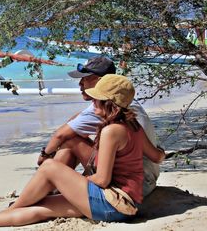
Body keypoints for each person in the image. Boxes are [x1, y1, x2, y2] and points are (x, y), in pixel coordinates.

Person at [0, 75, 146, 229]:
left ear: (109, 103)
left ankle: (12, 208)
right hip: (125, 206)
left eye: (97, 99)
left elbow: (102, 179)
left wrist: (69, 183)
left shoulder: (112, 130)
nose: (93, 102)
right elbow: (155, 155)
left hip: (113, 202)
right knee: (43, 207)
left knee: (50, 167)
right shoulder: (133, 125)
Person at [38, 56, 165, 197]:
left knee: (71, 141)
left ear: (99, 81)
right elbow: (76, 120)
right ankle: (52, 188)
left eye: (84, 78)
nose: (80, 84)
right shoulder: (121, 102)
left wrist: (45, 157)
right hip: (147, 177)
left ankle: (46, 189)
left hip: (134, 184)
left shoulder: (101, 109)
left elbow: (60, 134)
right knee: (76, 136)